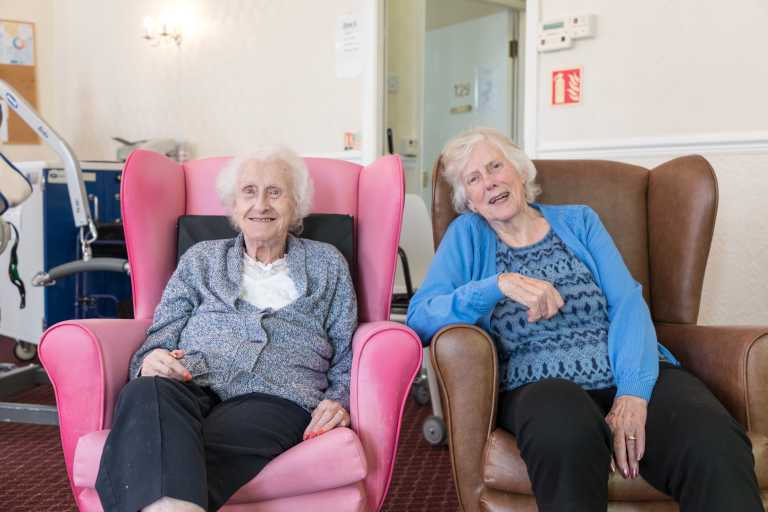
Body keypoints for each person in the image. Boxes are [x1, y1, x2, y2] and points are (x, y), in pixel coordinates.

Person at [407, 127, 763, 512]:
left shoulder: (579, 221)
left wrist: (633, 391)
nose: (489, 182)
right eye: (474, 179)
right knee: (565, 434)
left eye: (495, 166)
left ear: (519, 171)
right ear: (470, 202)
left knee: (712, 441)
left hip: (623, 368)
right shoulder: (467, 236)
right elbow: (420, 318)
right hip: (539, 386)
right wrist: (498, 285)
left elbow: (626, 302)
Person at [96, 147, 357, 512]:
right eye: (249, 192)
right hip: (190, 381)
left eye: (275, 192)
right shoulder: (201, 259)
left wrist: (339, 400)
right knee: (145, 391)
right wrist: (150, 360)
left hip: (276, 395)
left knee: (168, 447)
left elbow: (346, 349)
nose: (260, 204)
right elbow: (159, 337)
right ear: (234, 206)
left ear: (296, 205)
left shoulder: (327, 263)